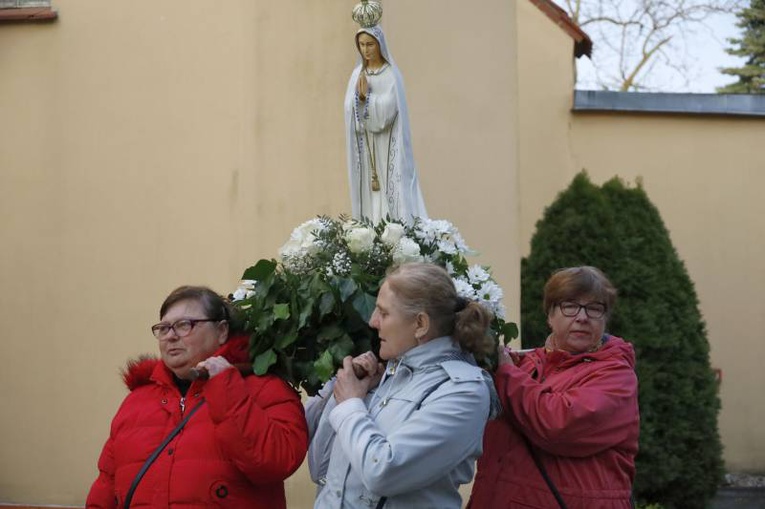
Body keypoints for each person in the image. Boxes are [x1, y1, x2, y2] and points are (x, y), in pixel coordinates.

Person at [86, 286, 308, 508]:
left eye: (184, 325)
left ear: (221, 331)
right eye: (163, 328)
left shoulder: (266, 388)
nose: (171, 336)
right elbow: (106, 486)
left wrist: (226, 387)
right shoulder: (136, 401)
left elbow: (276, 463)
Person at [305, 262, 499, 509]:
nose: (373, 322)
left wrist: (351, 405)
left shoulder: (464, 391)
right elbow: (319, 470)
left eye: (384, 313)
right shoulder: (389, 374)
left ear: (420, 324)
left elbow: (383, 472)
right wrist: (347, 394)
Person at [468, 266, 640, 509]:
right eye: (570, 306)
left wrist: (507, 373)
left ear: (605, 318)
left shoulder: (616, 376)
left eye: (594, 308)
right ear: (550, 315)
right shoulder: (523, 365)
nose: (582, 317)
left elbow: (557, 423)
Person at [344, 24, 428, 223]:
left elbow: (389, 111)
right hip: (366, 146)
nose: (366, 50)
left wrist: (367, 99)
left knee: (390, 191)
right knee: (369, 196)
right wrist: (358, 101)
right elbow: (349, 109)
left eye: (370, 44)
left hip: (387, 144)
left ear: (380, 44)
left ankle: (393, 229)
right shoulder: (357, 75)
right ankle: (370, 229)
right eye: (362, 45)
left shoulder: (391, 74)